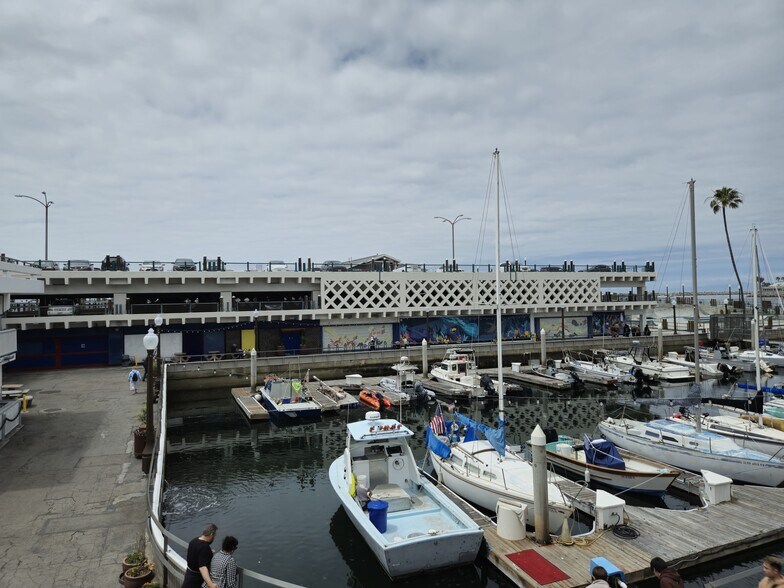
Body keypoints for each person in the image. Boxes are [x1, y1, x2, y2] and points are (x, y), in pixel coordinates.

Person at [183, 523, 219, 588]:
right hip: (196, 581)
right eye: (214, 536)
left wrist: (209, 553)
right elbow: (202, 567)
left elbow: (196, 554)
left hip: (188, 575)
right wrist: (211, 584)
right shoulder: (205, 547)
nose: (214, 538)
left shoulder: (194, 541)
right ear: (211, 534)